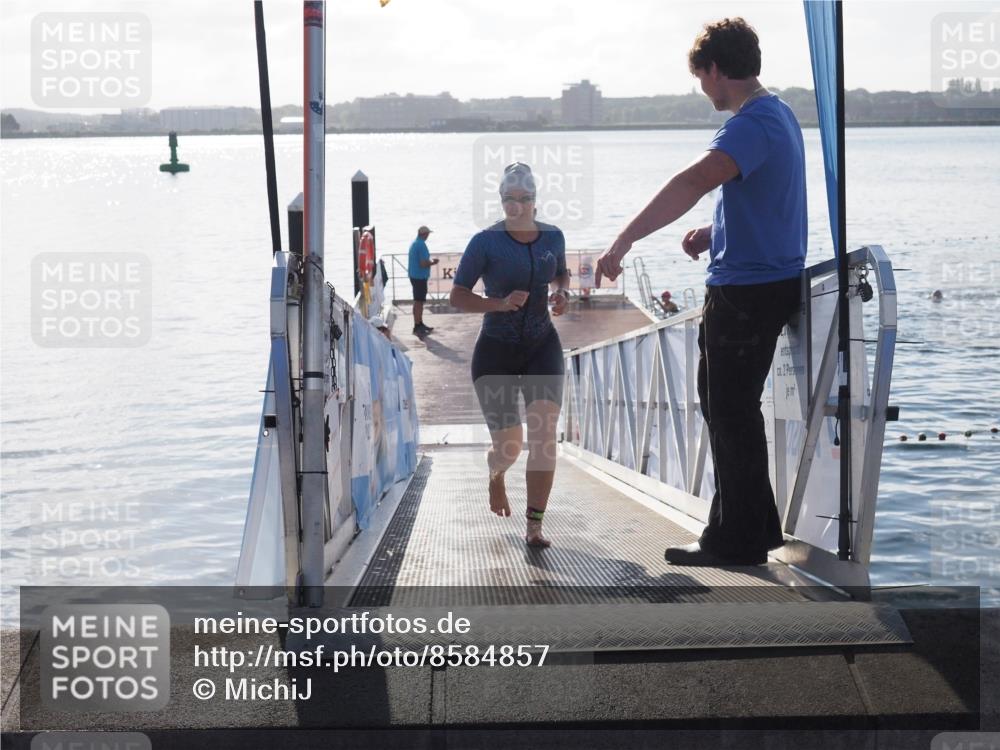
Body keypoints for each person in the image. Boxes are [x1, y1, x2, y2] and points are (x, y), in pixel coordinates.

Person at [595, 17, 806, 566]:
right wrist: (717, 232)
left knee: (728, 409)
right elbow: (769, 198)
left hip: (745, 292)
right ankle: (755, 528)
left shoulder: (749, 125)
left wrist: (623, 241)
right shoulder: (779, 115)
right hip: (768, 281)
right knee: (730, 408)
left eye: (701, 77)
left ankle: (735, 540)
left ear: (716, 69)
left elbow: (690, 183)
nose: (702, 88)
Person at [449, 163, 570, 547]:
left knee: (544, 434)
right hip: (496, 350)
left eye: (524, 198)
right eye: (508, 199)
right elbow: (457, 296)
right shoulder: (485, 242)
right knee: (510, 445)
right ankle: (496, 475)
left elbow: (561, 273)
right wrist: (498, 304)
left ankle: (535, 526)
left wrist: (561, 292)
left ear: (535, 199)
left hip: (542, 344)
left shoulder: (553, 236)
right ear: (501, 201)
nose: (516, 206)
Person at [408, 225, 439, 335]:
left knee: (418, 301)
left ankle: (419, 323)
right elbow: (423, 263)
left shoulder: (415, 243)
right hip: (419, 277)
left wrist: (429, 261)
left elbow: (421, 260)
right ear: (424, 234)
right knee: (419, 301)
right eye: (428, 234)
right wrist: (433, 262)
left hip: (415, 276)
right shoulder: (421, 245)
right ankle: (417, 325)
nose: (428, 236)